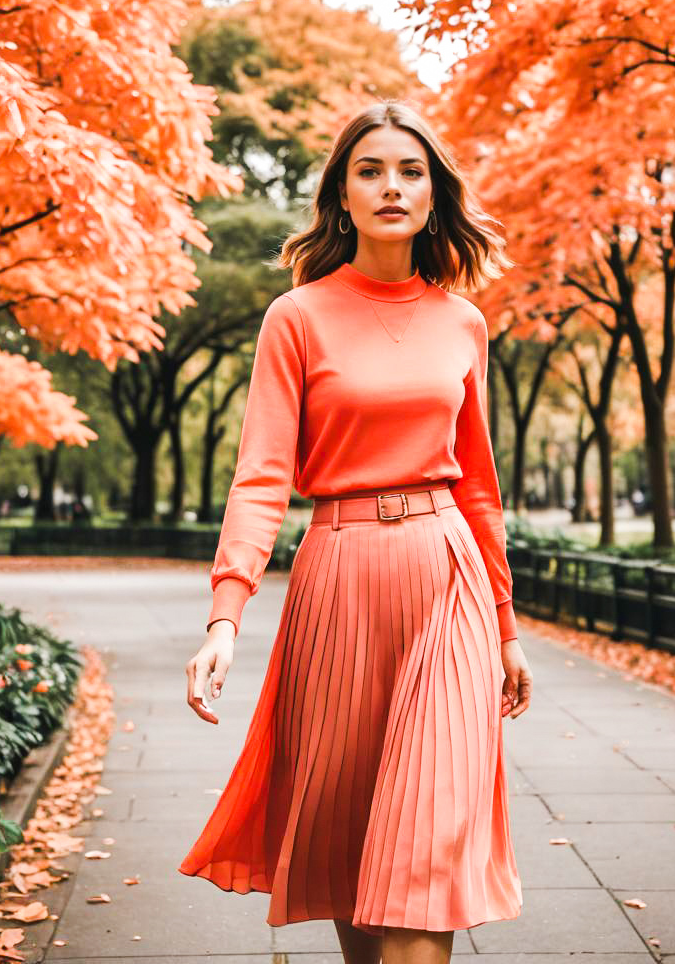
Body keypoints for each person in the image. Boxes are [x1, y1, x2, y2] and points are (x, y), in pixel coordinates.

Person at [180, 100, 534, 964]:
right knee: (347, 841)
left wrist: (507, 624)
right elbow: (262, 475)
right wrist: (226, 617)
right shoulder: (295, 316)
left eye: (411, 171)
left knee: (424, 842)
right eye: (369, 170)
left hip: (446, 579)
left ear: (433, 193)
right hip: (338, 580)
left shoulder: (462, 322)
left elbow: (480, 488)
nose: (391, 187)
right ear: (341, 193)